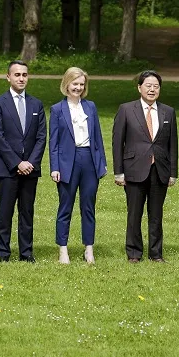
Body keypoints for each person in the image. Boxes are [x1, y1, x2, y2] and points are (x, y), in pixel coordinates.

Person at [112, 70, 179, 263]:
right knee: (134, 214)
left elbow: (173, 144)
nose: (152, 89)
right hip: (134, 169)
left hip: (160, 170)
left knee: (156, 215)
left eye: (156, 86)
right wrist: (119, 172)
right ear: (139, 88)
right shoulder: (126, 109)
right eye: (148, 86)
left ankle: (156, 254)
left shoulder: (168, 112)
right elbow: (117, 142)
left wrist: (173, 173)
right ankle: (134, 253)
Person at [48, 67, 108, 264]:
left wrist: (102, 163)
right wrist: (55, 167)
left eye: (82, 84)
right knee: (65, 206)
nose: (78, 88)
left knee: (88, 206)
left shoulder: (90, 107)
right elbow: (53, 142)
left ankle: (89, 249)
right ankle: (63, 249)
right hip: (67, 162)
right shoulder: (57, 109)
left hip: (89, 159)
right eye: (75, 84)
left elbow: (97, 137)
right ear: (67, 84)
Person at [0, 60, 46, 262]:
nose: (21, 78)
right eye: (17, 75)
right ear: (8, 77)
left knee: (27, 212)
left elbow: (41, 137)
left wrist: (30, 162)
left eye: (24, 75)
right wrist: (17, 163)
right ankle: (4, 253)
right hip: (6, 168)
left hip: (30, 169)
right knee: (5, 213)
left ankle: (26, 252)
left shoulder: (36, 104)